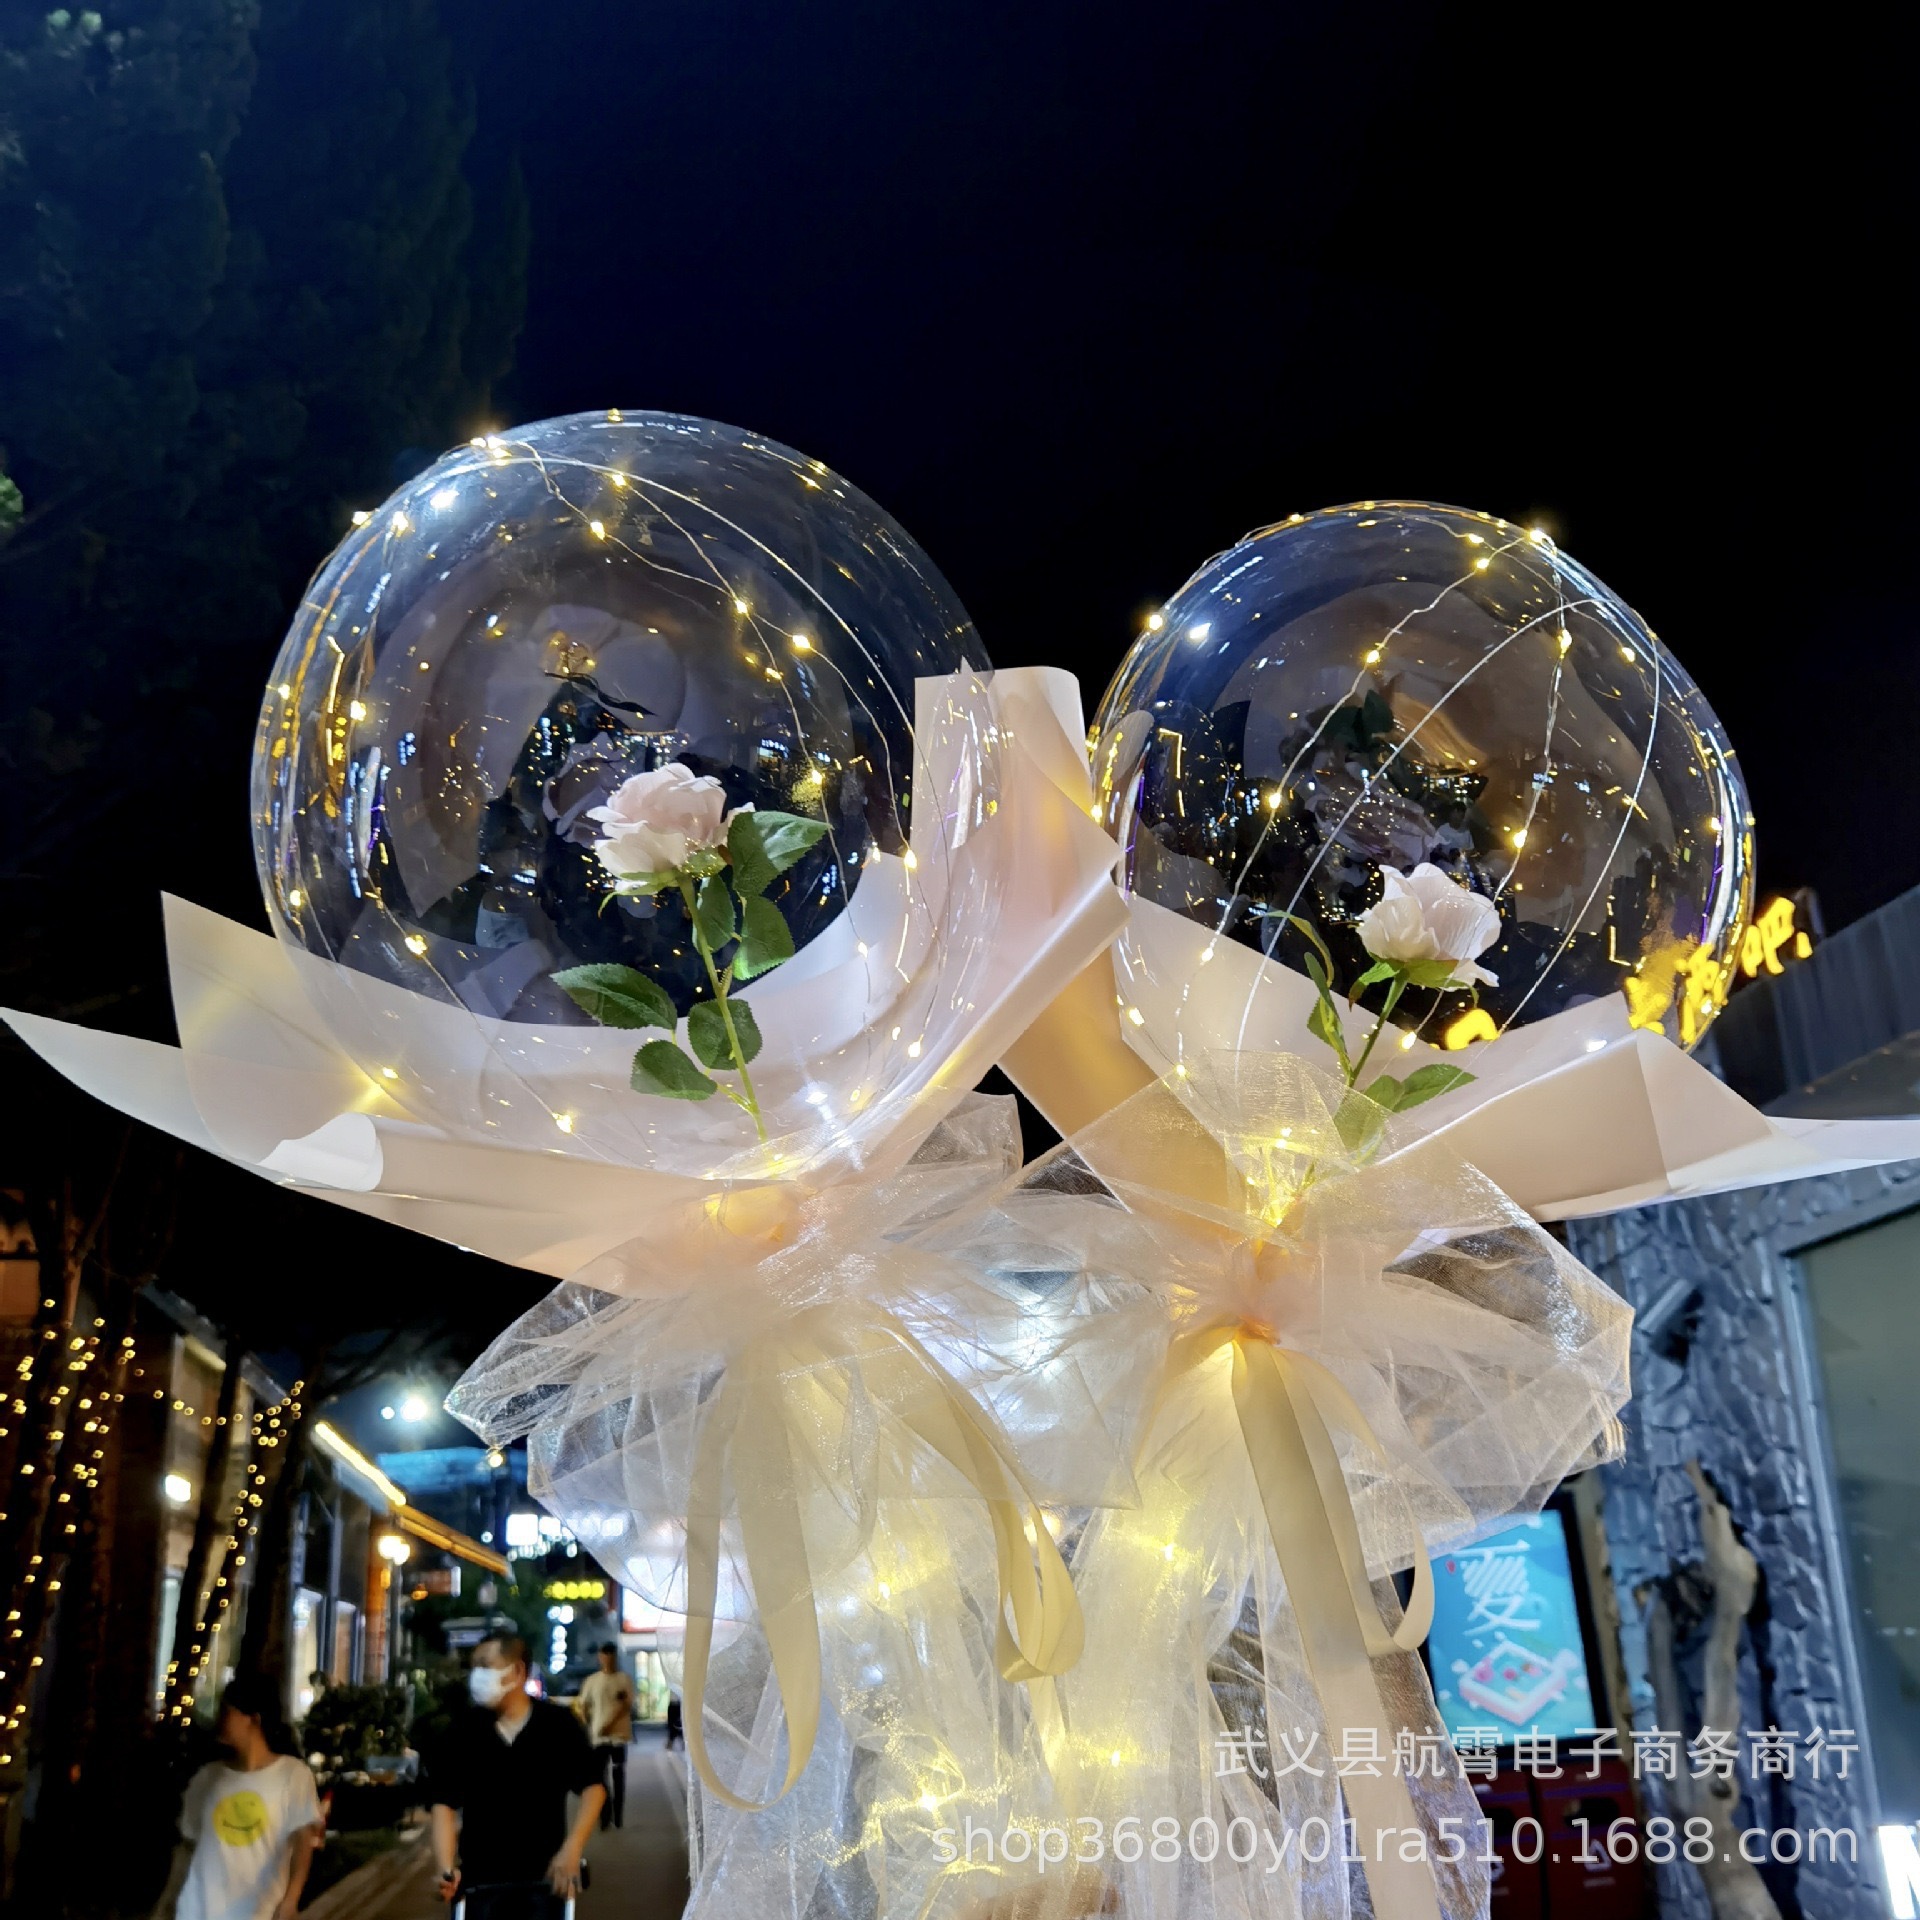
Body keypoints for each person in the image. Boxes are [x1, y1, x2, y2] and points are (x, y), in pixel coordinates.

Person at [428, 1634, 605, 1911]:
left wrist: (572, 1848)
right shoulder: (463, 1730)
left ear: (519, 1671)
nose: (477, 1676)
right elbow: (444, 1804)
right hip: (479, 1885)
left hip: (544, 1882)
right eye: (475, 1667)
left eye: (486, 1666)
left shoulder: (557, 1725)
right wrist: (445, 1868)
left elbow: (593, 1788)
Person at [172, 1673, 323, 1920]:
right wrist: (167, 1903)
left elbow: (303, 1843)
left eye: (227, 1712)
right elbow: (187, 1848)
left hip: (257, 1911)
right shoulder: (207, 1778)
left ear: (253, 1719)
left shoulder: (292, 1776)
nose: (219, 1719)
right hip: (196, 1911)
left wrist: (290, 1900)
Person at [575, 1645, 635, 1829]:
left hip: (618, 1736)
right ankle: (605, 1814)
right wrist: (588, 1723)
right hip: (599, 1738)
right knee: (600, 1777)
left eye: (611, 1656)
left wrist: (609, 1724)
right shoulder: (592, 1681)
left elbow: (625, 1705)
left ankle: (618, 1816)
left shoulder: (623, 1679)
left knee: (618, 1776)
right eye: (605, 1656)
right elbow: (583, 1705)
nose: (608, 1659)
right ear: (600, 1657)